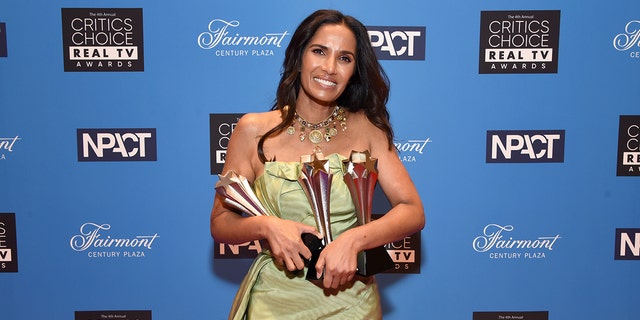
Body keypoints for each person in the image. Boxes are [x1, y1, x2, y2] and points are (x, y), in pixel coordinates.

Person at [210, 9, 425, 319]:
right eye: (319, 51)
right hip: (275, 301)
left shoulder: (367, 129)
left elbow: (412, 210)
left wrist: (353, 240)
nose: (329, 68)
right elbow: (220, 222)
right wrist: (267, 226)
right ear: (299, 57)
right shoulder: (252, 130)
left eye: (344, 58)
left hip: (352, 302)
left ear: (354, 71)